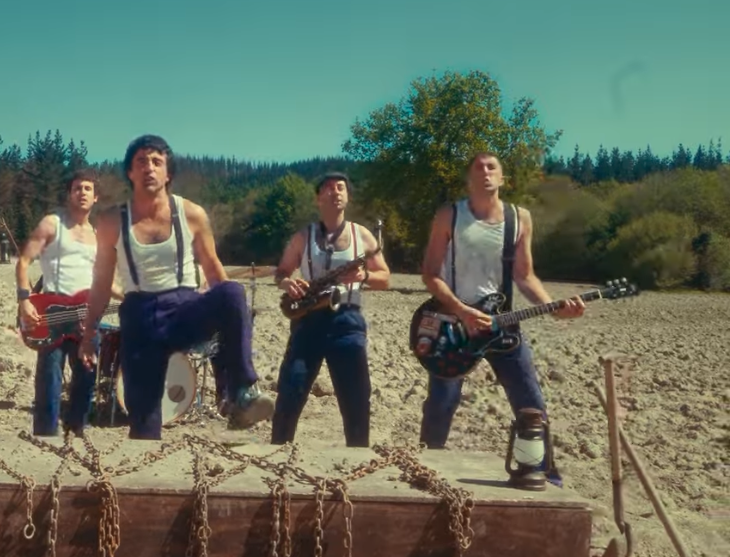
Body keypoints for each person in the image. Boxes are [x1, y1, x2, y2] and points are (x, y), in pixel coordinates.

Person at [78, 135, 275, 439]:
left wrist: (234, 320)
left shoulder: (192, 214)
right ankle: (144, 440)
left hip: (185, 309)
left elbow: (213, 269)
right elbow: (102, 283)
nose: (149, 168)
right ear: (130, 172)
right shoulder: (111, 221)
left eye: (157, 162)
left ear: (168, 173)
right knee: (144, 421)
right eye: (141, 161)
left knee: (232, 292)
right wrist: (89, 333)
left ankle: (239, 393)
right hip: (140, 317)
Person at [418, 152, 585, 485]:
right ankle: (424, 470)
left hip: (502, 326)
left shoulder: (519, 219)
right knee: (441, 402)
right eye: (478, 167)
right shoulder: (449, 216)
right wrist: (462, 310)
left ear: (502, 178)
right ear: (469, 179)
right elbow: (430, 274)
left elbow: (525, 276)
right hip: (454, 326)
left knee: (530, 401)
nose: (485, 172)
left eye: (492, 167)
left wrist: (552, 306)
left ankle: (545, 475)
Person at [270, 172, 390, 447]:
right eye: (328, 188)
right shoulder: (303, 236)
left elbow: (385, 278)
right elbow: (281, 272)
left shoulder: (363, 235)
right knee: (290, 392)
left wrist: (364, 277)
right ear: (318, 198)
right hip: (308, 319)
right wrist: (288, 283)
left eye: (340, 188)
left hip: (347, 320)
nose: (335, 192)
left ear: (347, 197)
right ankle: (277, 453)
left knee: (356, 399)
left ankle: (358, 456)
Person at [16, 169, 121, 437]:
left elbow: (103, 282)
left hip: (87, 315)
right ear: (69, 194)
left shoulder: (97, 236)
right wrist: (24, 300)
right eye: (77, 188)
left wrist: (131, 296)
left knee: (86, 376)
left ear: (95, 197)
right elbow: (23, 262)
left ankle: (78, 430)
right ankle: (45, 435)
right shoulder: (52, 224)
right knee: (49, 378)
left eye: (87, 189)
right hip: (52, 313)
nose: (82, 193)